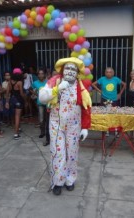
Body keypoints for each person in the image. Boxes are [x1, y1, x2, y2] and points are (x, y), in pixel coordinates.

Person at [39, 57, 92, 196]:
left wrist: (85, 127)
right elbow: (42, 97)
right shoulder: (54, 81)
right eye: (67, 68)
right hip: (56, 124)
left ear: (77, 72)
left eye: (73, 69)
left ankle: (70, 180)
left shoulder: (82, 86)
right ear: (62, 70)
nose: (69, 71)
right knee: (58, 152)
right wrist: (57, 89)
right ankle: (58, 181)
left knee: (72, 153)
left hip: (74, 125)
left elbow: (86, 107)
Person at [5, 68, 25, 140]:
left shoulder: (10, 82)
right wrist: (25, 99)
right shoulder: (20, 82)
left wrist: (7, 102)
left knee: (14, 116)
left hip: (12, 100)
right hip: (19, 100)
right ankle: (16, 134)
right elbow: (21, 93)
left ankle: (18, 129)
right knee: (17, 117)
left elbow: (7, 93)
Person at [31, 68, 47, 138]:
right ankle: (42, 132)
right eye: (39, 74)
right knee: (41, 119)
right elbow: (30, 89)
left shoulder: (48, 82)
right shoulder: (35, 83)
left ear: (44, 75)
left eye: (42, 73)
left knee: (48, 119)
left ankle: (48, 132)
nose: (40, 75)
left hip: (48, 103)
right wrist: (34, 93)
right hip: (40, 103)